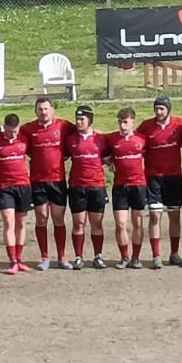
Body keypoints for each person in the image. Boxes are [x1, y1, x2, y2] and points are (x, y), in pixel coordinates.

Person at [137, 95, 182, 265]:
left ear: (168, 109)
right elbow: (136, 143)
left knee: (174, 216)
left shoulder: (180, 124)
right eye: (156, 108)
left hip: (173, 177)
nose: (158, 112)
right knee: (154, 216)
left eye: (162, 109)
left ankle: (174, 253)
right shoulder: (146, 126)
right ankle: (156, 255)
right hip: (153, 178)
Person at [24, 97, 70, 269]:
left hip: (57, 180)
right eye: (40, 109)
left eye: (46, 109)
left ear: (52, 109)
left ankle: (62, 256)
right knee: (41, 218)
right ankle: (44, 257)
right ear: (35, 111)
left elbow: (83, 132)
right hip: (38, 181)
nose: (43, 112)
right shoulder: (28, 129)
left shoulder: (64, 126)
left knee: (58, 217)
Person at [63, 105, 109, 268]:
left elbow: (109, 158)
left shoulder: (101, 139)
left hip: (96, 186)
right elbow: (62, 157)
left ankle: (98, 256)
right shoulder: (70, 140)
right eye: (77, 119)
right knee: (78, 223)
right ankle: (78, 257)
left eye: (82, 119)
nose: (78, 122)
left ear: (89, 120)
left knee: (96, 223)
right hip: (77, 186)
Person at [0, 113, 33, 274]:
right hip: (5, 187)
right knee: (8, 221)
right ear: (4, 127)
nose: (12, 135)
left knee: (21, 223)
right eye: (9, 131)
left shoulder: (24, 138)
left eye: (15, 132)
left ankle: (19, 259)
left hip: (23, 185)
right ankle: (12, 260)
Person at [107, 108, 150, 267]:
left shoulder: (142, 139)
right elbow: (104, 154)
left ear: (133, 122)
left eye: (125, 122)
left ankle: (136, 258)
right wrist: (110, 162)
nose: (122, 126)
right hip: (120, 186)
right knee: (120, 224)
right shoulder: (112, 139)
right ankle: (124, 257)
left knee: (137, 223)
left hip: (138, 185)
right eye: (120, 122)